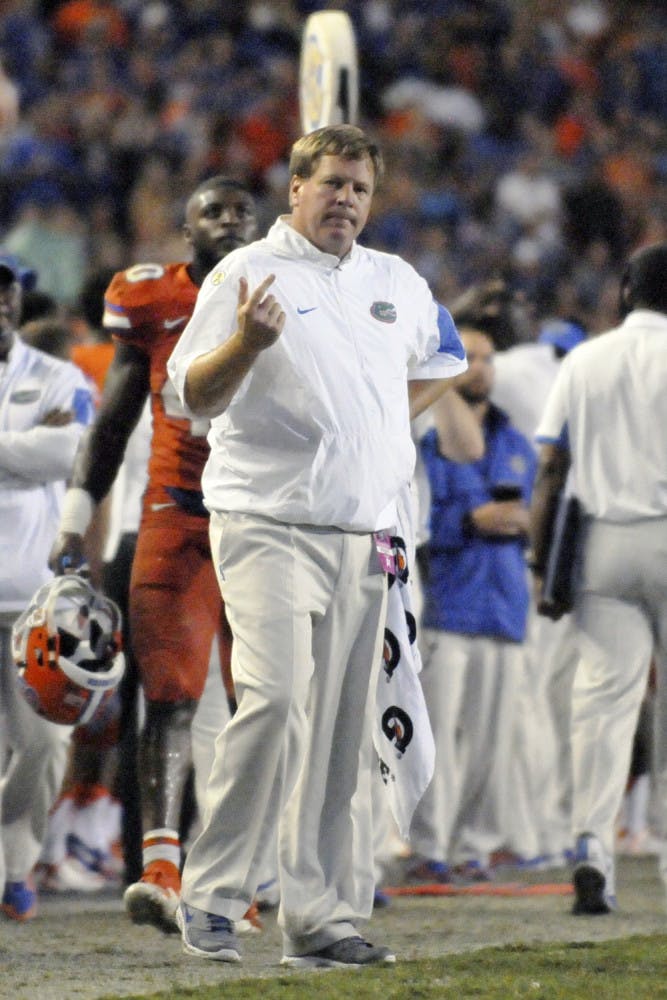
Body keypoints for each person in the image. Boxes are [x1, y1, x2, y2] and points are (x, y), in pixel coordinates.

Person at [167, 123, 468, 968]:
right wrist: (247, 344)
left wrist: (369, 429)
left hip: (365, 528)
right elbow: (189, 393)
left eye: (360, 189)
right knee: (273, 700)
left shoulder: (396, 281)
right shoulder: (244, 272)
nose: (346, 200)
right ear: (295, 188)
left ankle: (320, 917)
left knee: (342, 729)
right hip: (267, 520)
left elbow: (443, 356)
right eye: (331, 183)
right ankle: (213, 894)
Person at [48, 176, 259, 932]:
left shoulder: (289, 293)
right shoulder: (154, 300)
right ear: (186, 229)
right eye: (214, 210)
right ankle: (161, 870)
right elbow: (110, 423)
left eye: (242, 210)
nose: (230, 219)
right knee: (166, 695)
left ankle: (245, 873)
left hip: (267, 519)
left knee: (258, 703)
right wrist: (75, 518)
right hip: (177, 512)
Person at [529, 240, 667, 915]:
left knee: (602, 705)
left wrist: (537, 562)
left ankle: (590, 845)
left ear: (621, 290)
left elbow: (551, 468)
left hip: (603, 546)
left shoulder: (584, 358)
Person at [408, 325, 537, 881]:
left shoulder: (517, 444)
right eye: (470, 358)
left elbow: (540, 514)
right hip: (449, 605)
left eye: (487, 358)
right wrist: (469, 520)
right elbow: (416, 524)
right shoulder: (432, 444)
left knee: (490, 744)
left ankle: (473, 848)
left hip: (505, 607)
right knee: (433, 738)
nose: (479, 368)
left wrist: (528, 522)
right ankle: (430, 848)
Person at [0, 252, 94, 920]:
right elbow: (41, 452)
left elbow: (71, 452)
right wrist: (23, 444)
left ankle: (15, 859)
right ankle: (12, 876)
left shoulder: (58, 374)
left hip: (36, 592)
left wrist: (42, 447)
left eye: (7, 287)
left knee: (44, 742)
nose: (0, 299)